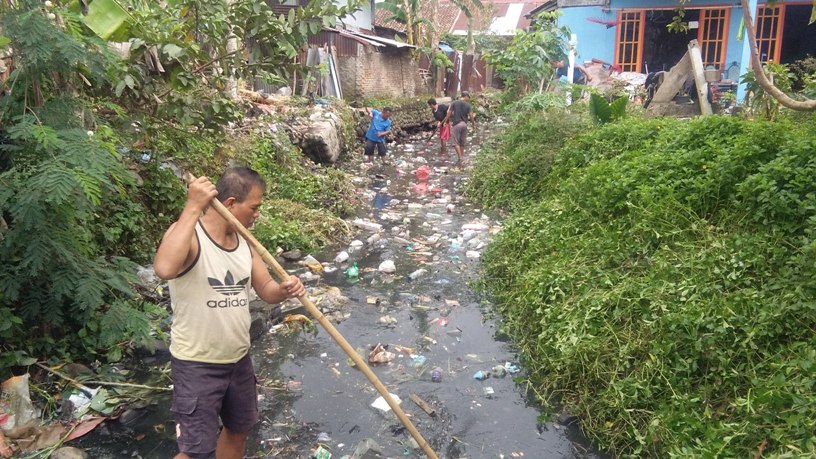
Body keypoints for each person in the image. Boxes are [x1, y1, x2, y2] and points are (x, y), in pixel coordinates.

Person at [153, 167, 306, 459]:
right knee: (196, 451)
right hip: (197, 364)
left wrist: (285, 289)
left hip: (238, 361)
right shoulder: (189, 234)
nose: (258, 214)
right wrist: (192, 206)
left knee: (238, 431)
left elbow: (266, 289)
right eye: (255, 207)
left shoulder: (245, 243)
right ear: (232, 204)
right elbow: (164, 269)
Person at [443, 91, 476, 165]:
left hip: (457, 125)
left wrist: (446, 121)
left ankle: (460, 158)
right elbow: (471, 116)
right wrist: (473, 124)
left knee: (456, 143)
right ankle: (461, 157)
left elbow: (449, 113)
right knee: (462, 143)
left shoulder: (454, 103)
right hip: (464, 124)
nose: (468, 99)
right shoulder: (468, 105)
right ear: (466, 96)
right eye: (468, 97)